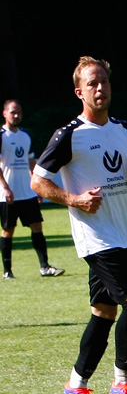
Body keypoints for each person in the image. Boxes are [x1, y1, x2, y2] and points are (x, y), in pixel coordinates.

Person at [30, 57, 127, 394]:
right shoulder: (69, 135)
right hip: (95, 239)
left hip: (120, 234)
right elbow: (37, 181)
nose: (100, 88)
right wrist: (74, 199)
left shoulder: (124, 129)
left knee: (104, 311)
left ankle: (76, 384)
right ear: (79, 91)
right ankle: (121, 382)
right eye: (92, 84)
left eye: (104, 82)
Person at [1, 99, 64, 279]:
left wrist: (38, 188)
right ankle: (8, 271)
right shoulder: (1, 136)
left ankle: (45, 267)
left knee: (37, 226)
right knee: (8, 230)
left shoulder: (26, 136)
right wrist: (5, 187)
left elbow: (31, 163)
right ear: (5, 113)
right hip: (8, 194)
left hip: (27, 192)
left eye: (19, 112)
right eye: (13, 112)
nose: (16, 115)